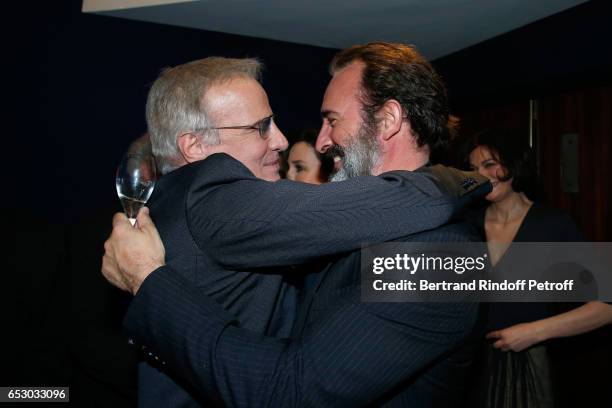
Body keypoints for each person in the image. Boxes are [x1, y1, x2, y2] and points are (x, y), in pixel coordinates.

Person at [103, 43, 491, 406]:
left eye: (332, 120)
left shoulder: (439, 258)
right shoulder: (231, 200)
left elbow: (289, 389)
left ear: (387, 120)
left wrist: (145, 279)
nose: (320, 142)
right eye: (260, 127)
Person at [464, 128, 612, 408]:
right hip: (468, 369)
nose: (480, 176)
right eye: (472, 169)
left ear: (514, 165)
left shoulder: (552, 225)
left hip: (528, 368)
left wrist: (533, 332)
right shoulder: (465, 225)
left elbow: (606, 305)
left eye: (489, 165)